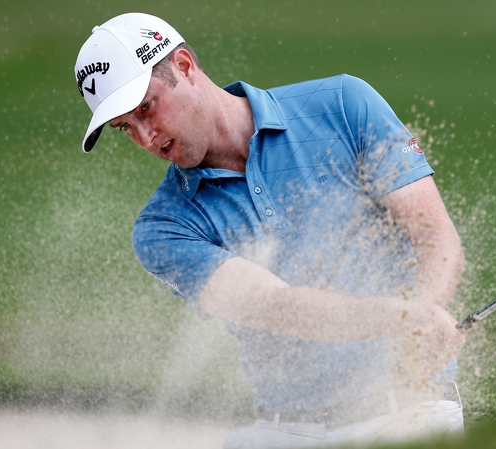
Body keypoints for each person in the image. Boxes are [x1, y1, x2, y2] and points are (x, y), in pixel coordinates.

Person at [74, 12, 467, 448]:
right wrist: (404, 319)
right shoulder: (164, 228)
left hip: (411, 413)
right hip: (288, 430)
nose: (145, 137)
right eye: (125, 127)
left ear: (184, 66)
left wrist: (426, 315)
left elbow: (434, 235)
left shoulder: (342, 104)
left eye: (146, 108)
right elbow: (278, 307)